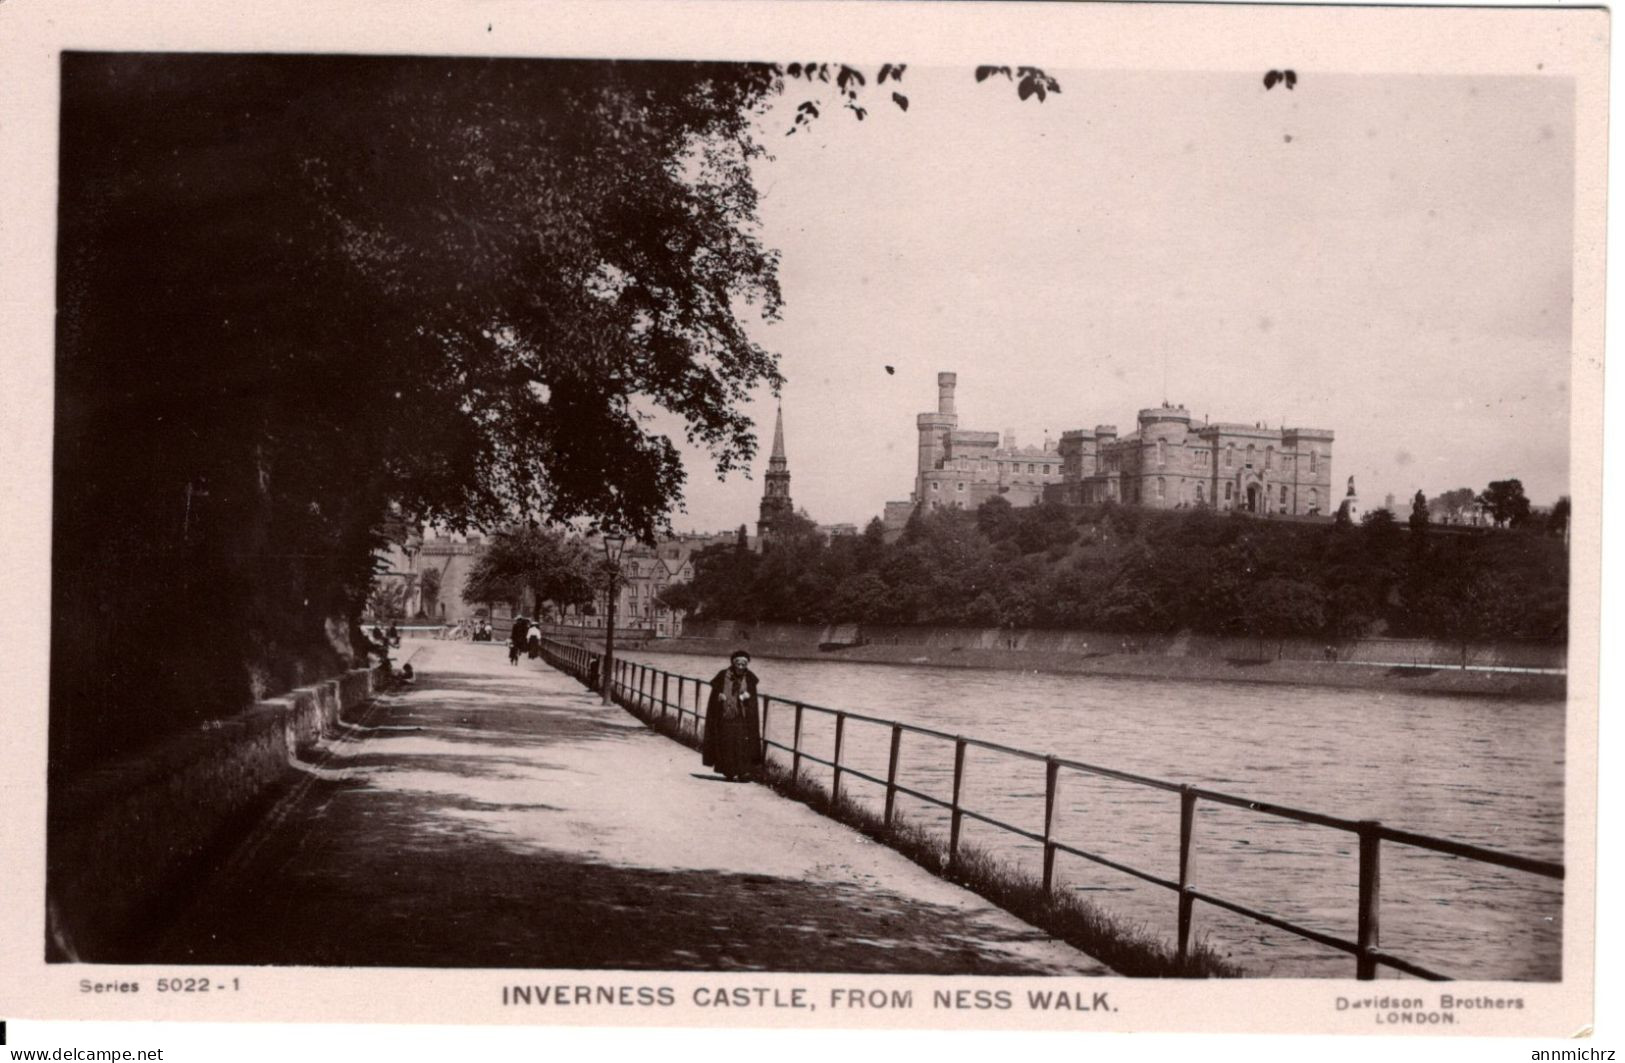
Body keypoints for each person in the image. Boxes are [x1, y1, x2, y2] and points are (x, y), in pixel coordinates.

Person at [704, 650, 764, 782]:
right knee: (727, 743)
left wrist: (748, 697)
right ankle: (729, 771)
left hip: (743, 717)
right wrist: (719, 695)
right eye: (738, 663)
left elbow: (752, 698)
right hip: (726, 715)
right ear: (733, 663)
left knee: (743, 744)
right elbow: (715, 692)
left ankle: (744, 772)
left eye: (744, 664)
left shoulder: (750, 677)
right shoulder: (722, 675)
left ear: (747, 664)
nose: (740, 667)